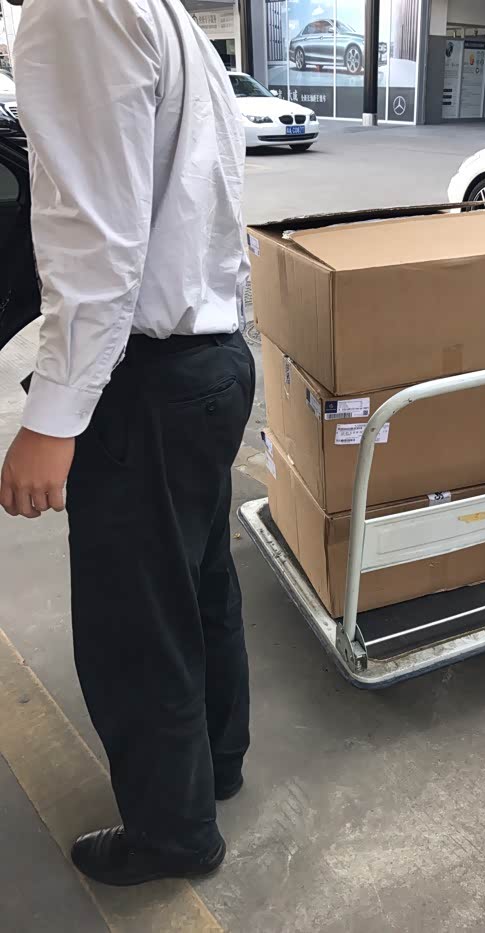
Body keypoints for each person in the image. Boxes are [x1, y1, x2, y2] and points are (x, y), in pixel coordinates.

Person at [0, 0, 253, 886]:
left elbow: (96, 241)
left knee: (136, 630)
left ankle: (173, 835)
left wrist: (52, 419)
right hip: (210, 357)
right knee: (198, 587)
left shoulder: (75, 10)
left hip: (146, 379)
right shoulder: (165, 15)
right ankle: (217, 762)